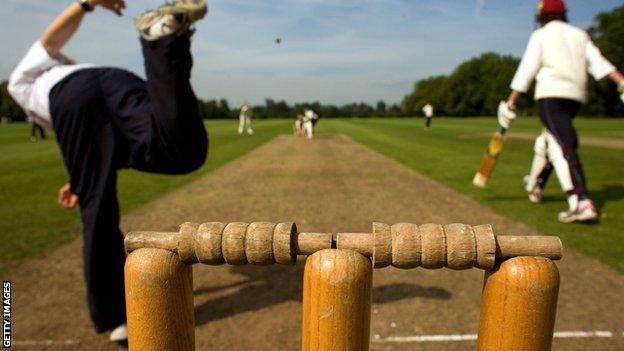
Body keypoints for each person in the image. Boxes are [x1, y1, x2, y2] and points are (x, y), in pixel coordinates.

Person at [8, 0, 209, 342]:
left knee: (96, 207)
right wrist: (75, 179)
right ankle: (162, 42)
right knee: (182, 152)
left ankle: (117, 316)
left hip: (73, 97)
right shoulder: (78, 72)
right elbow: (94, 148)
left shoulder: (21, 83)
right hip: (117, 82)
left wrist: (86, 3)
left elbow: (50, 41)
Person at [498, 0, 624, 223]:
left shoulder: (541, 35)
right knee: (548, 140)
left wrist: (511, 101)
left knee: (562, 144)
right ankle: (536, 186)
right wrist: (621, 81)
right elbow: (599, 63)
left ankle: (580, 201)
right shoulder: (579, 34)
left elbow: (527, 69)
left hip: (550, 95)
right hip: (575, 97)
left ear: (541, 15)